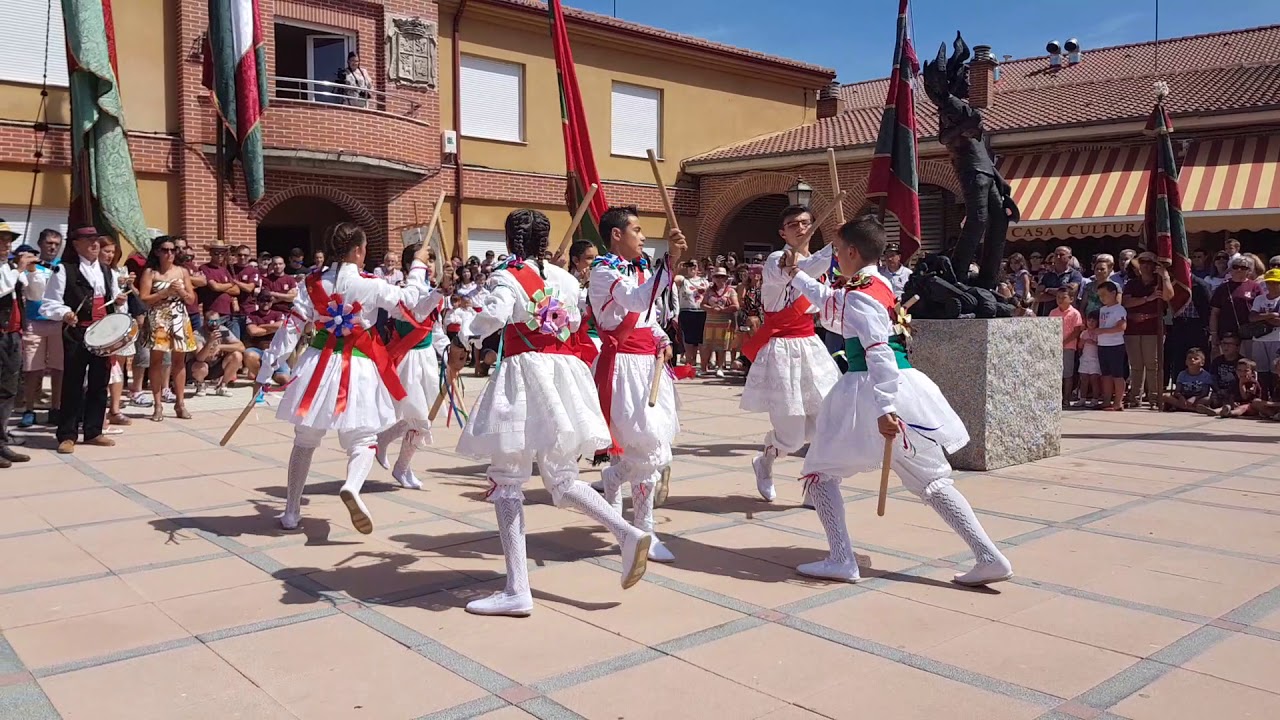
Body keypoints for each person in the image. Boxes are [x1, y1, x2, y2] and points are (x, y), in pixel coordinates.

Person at [781, 215, 1012, 586]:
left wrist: (886, 408)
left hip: (871, 391)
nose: (834, 257)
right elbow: (835, 308)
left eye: (837, 250)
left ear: (851, 252)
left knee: (820, 475)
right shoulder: (876, 283)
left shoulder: (858, 294)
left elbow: (878, 350)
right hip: (898, 388)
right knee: (931, 479)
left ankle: (841, 559)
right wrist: (798, 276)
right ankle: (988, 555)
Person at [457, 209, 653, 616]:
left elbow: (495, 315)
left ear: (511, 241)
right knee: (562, 476)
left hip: (525, 374)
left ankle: (517, 588)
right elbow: (577, 320)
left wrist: (463, 332)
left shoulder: (507, 276)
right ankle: (626, 531)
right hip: (562, 374)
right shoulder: (564, 278)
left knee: (507, 478)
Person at [254, 222, 432, 533]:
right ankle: (351, 485)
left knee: (305, 439)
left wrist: (268, 367)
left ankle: (291, 511)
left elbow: (292, 326)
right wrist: (418, 266)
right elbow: (410, 301)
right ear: (359, 250)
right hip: (357, 366)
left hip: (317, 363)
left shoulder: (313, 283)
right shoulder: (370, 284)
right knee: (362, 438)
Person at [589, 205, 686, 564]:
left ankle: (614, 479)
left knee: (654, 447)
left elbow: (648, 317)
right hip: (622, 367)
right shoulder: (603, 271)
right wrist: (670, 261)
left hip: (647, 366)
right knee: (645, 450)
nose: (643, 237)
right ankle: (644, 530)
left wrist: (662, 338)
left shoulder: (641, 268)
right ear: (617, 235)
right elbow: (635, 300)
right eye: (637, 230)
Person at [740, 204, 840, 501]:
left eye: (805, 222)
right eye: (793, 224)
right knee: (792, 436)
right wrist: (836, 244)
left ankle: (816, 487)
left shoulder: (820, 266)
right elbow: (802, 271)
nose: (800, 228)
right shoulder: (776, 260)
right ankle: (766, 460)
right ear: (782, 232)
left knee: (825, 422)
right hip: (782, 350)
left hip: (811, 346)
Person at [41, 227, 128, 453]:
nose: (94, 244)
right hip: (77, 334)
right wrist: (65, 313)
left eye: (95, 240)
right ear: (76, 244)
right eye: (88, 241)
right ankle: (67, 435)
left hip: (103, 335)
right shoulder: (64, 270)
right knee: (73, 383)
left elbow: (114, 301)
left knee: (100, 383)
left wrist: (119, 301)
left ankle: (93, 431)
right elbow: (49, 303)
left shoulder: (107, 271)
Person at [374, 242, 453, 490]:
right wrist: (439, 292)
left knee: (421, 416)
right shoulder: (403, 291)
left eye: (432, 260)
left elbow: (435, 329)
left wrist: (450, 352)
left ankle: (386, 443)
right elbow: (418, 314)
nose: (430, 265)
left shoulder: (433, 291)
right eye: (425, 260)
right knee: (420, 420)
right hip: (407, 359)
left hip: (426, 359)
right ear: (411, 265)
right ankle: (401, 467)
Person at [140, 238, 198, 421]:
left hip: (179, 316)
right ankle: (158, 404)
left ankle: (180, 403)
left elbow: (191, 299)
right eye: (165, 250)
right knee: (156, 361)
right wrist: (165, 292)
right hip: (158, 317)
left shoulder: (182, 271)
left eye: (173, 250)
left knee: (179, 361)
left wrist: (180, 291)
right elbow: (144, 298)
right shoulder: (151, 272)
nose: (170, 254)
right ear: (157, 252)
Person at [19, 229, 64, 428]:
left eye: (56, 243)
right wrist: (29, 269)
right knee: (32, 368)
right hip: (34, 321)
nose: (53, 247)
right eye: (49, 243)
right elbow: (32, 294)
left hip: (58, 322)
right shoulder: (31, 264)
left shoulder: (63, 266)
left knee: (58, 368)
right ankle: (29, 409)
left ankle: (56, 408)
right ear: (40, 244)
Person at [1123, 252, 1174, 406]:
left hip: (1153, 327)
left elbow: (1168, 296)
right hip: (1133, 327)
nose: (1145, 265)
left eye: (1149, 262)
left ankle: (1154, 398)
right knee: (1136, 365)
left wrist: (1165, 276)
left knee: (1153, 364)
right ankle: (1135, 397)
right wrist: (1147, 299)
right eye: (1142, 262)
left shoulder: (1159, 282)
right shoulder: (1132, 283)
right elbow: (1126, 302)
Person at [0, 246, 35, 465]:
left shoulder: (11, 268)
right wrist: (18, 271)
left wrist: (32, 272)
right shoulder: (12, 271)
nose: (6, 245)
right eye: (1, 240)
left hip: (13, 335)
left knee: (7, 391)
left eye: (8, 241)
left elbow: (35, 294)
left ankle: (1, 443)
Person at [1209, 255, 1263, 354]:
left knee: (1247, 362)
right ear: (1230, 269)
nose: (1239, 269)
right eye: (1235, 267)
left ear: (1249, 270)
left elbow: (1261, 310)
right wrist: (1214, 334)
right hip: (1226, 334)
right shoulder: (1222, 288)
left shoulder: (1255, 287)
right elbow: (1214, 313)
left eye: (1243, 267)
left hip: (1249, 334)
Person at [190, 310, 244, 396]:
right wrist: (210, 342)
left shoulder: (223, 330)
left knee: (237, 355)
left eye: (217, 321)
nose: (214, 324)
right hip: (202, 367)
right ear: (204, 321)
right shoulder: (197, 334)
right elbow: (200, 358)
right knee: (200, 366)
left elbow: (241, 347)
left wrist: (220, 346)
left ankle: (223, 386)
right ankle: (200, 384)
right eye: (211, 321)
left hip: (217, 365)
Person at [1095, 281, 1128, 412]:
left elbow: (1121, 326)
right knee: (1106, 375)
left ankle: (1118, 402)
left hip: (1115, 345)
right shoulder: (1103, 309)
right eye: (1099, 295)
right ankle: (1106, 400)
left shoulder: (1119, 309)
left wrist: (1102, 331)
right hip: (1102, 345)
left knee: (1117, 375)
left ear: (1113, 293)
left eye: (1104, 294)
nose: (1102, 297)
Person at [701, 266, 738, 378]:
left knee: (722, 346)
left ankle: (720, 367)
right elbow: (702, 304)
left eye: (721, 277)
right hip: (710, 321)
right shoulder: (709, 290)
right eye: (717, 276)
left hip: (724, 322)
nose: (719, 279)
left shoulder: (730, 291)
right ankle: (704, 368)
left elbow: (736, 306)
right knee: (707, 345)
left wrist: (723, 310)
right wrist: (711, 309)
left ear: (726, 278)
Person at [1050, 285, 1084, 407]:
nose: (1060, 300)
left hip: (1068, 347)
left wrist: (1063, 342)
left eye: (1063, 297)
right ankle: (1056, 397)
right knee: (1055, 373)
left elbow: (1076, 331)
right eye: (1058, 297)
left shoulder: (1075, 313)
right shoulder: (1053, 312)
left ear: (1071, 299)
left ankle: (1066, 398)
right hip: (1055, 347)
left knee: (1067, 374)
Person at [1247, 268, 1280, 387]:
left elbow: (1278, 322)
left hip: (1277, 339)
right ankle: (1262, 393)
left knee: (1276, 370)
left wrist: (1261, 317)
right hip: (1259, 339)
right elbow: (1251, 318)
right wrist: (1272, 315)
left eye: (1275, 283)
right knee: (1260, 371)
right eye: (1269, 282)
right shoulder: (1259, 299)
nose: (1272, 285)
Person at [1160, 347, 1216, 415]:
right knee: (1165, 396)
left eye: (1196, 359)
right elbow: (1177, 391)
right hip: (1183, 399)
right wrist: (1181, 397)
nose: (1192, 360)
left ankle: (1181, 407)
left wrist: (1194, 398)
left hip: (1197, 399)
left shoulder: (1206, 375)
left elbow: (1204, 393)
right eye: (1189, 358)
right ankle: (1194, 409)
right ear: (1186, 362)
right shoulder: (1182, 374)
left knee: (1208, 399)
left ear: (1202, 363)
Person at [674, 260, 708, 372]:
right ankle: (689, 365)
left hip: (702, 312)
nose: (692, 267)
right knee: (688, 340)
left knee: (702, 340)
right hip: (687, 312)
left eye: (694, 265)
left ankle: (703, 366)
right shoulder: (683, 280)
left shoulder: (704, 281)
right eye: (690, 265)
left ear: (698, 267)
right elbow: (672, 279)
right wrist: (679, 268)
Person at [1035, 246, 1084, 317]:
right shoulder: (1047, 276)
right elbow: (1038, 296)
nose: (1058, 257)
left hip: (1067, 315)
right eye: (1056, 255)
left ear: (1069, 257)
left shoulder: (1075, 274)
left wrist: (1047, 290)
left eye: (1061, 255)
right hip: (1048, 315)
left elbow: (1071, 291)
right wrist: (1062, 296)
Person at [1078, 312, 1102, 408]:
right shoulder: (1084, 333)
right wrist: (1083, 342)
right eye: (1089, 320)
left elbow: (1101, 346)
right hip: (1085, 358)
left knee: (1094, 380)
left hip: (1095, 359)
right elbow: (1079, 346)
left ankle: (1095, 400)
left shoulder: (1098, 333)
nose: (1091, 323)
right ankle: (1082, 399)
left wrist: (1093, 342)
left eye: (1093, 321)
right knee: (1084, 379)